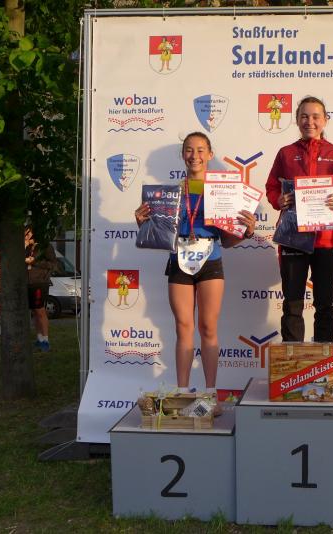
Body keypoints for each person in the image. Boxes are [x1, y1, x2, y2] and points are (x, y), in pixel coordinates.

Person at [134, 132, 256, 403]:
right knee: (183, 327)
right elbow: (159, 235)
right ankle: (182, 392)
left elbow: (228, 240)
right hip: (179, 259)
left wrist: (246, 232)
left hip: (211, 259)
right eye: (189, 150)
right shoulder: (169, 194)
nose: (195, 155)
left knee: (208, 327)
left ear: (210, 154)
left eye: (201, 150)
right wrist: (144, 224)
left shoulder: (223, 192)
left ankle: (211, 393)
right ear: (182, 155)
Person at [265, 95, 333, 343]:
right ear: (297, 120)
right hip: (293, 238)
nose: (310, 122)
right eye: (304, 116)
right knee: (292, 302)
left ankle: (324, 360)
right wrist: (278, 200)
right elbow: (272, 187)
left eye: (316, 116)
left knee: (325, 302)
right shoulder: (286, 153)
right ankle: (292, 359)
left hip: (326, 240)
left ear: (325, 120)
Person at [24, 228, 56, 352]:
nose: (25, 235)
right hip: (28, 282)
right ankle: (39, 338)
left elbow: (53, 264)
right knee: (34, 311)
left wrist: (35, 262)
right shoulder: (27, 248)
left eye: (28, 233)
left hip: (40, 282)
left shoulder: (45, 247)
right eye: (25, 233)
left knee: (40, 310)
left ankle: (46, 340)